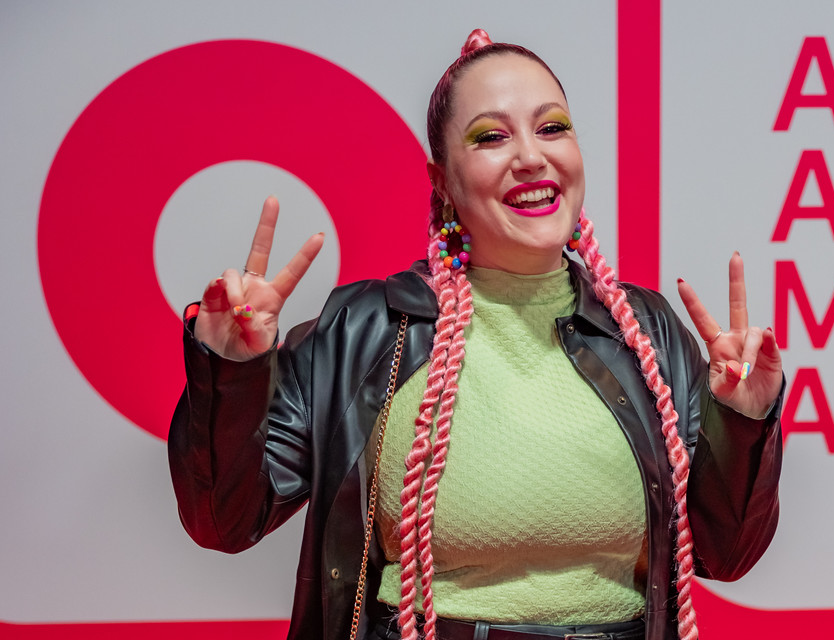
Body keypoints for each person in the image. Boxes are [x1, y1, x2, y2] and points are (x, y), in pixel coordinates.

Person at [169, 29, 784, 640]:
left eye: (552, 127)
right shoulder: (365, 329)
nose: (531, 157)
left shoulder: (645, 333)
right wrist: (231, 370)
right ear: (441, 180)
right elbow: (223, 521)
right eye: (491, 136)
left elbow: (725, 554)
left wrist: (743, 421)